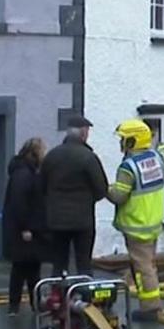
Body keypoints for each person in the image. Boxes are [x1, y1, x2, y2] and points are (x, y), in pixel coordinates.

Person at [107, 120, 164, 321]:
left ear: (133, 141)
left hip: (136, 225)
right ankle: (151, 302)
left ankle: (150, 307)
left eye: (124, 139)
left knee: (143, 269)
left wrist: (104, 188)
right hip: (153, 224)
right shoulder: (157, 158)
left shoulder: (128, 167)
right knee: (149, 265)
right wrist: (162, 143)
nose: (121, 143)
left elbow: (118, 196)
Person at [39, 114, 107, 277]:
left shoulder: (52, 156)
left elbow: (42, 186)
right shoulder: (88, 157)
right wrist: (87, 199)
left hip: (56, 220)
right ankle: (83, 297)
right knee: (83, 263)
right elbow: (101, 188)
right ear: (83, 133)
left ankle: (58, 296)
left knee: (59, 262)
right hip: (82, 221)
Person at [1, 138, 47, 316]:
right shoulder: (24, 174)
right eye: (42, 151)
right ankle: (22, 305)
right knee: (25, 270)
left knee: (26, 269)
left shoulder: (22, 172)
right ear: (33, 153)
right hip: (24, 231)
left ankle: (23, 305)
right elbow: (20, 203)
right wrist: (26, 227)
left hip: (21, 229)